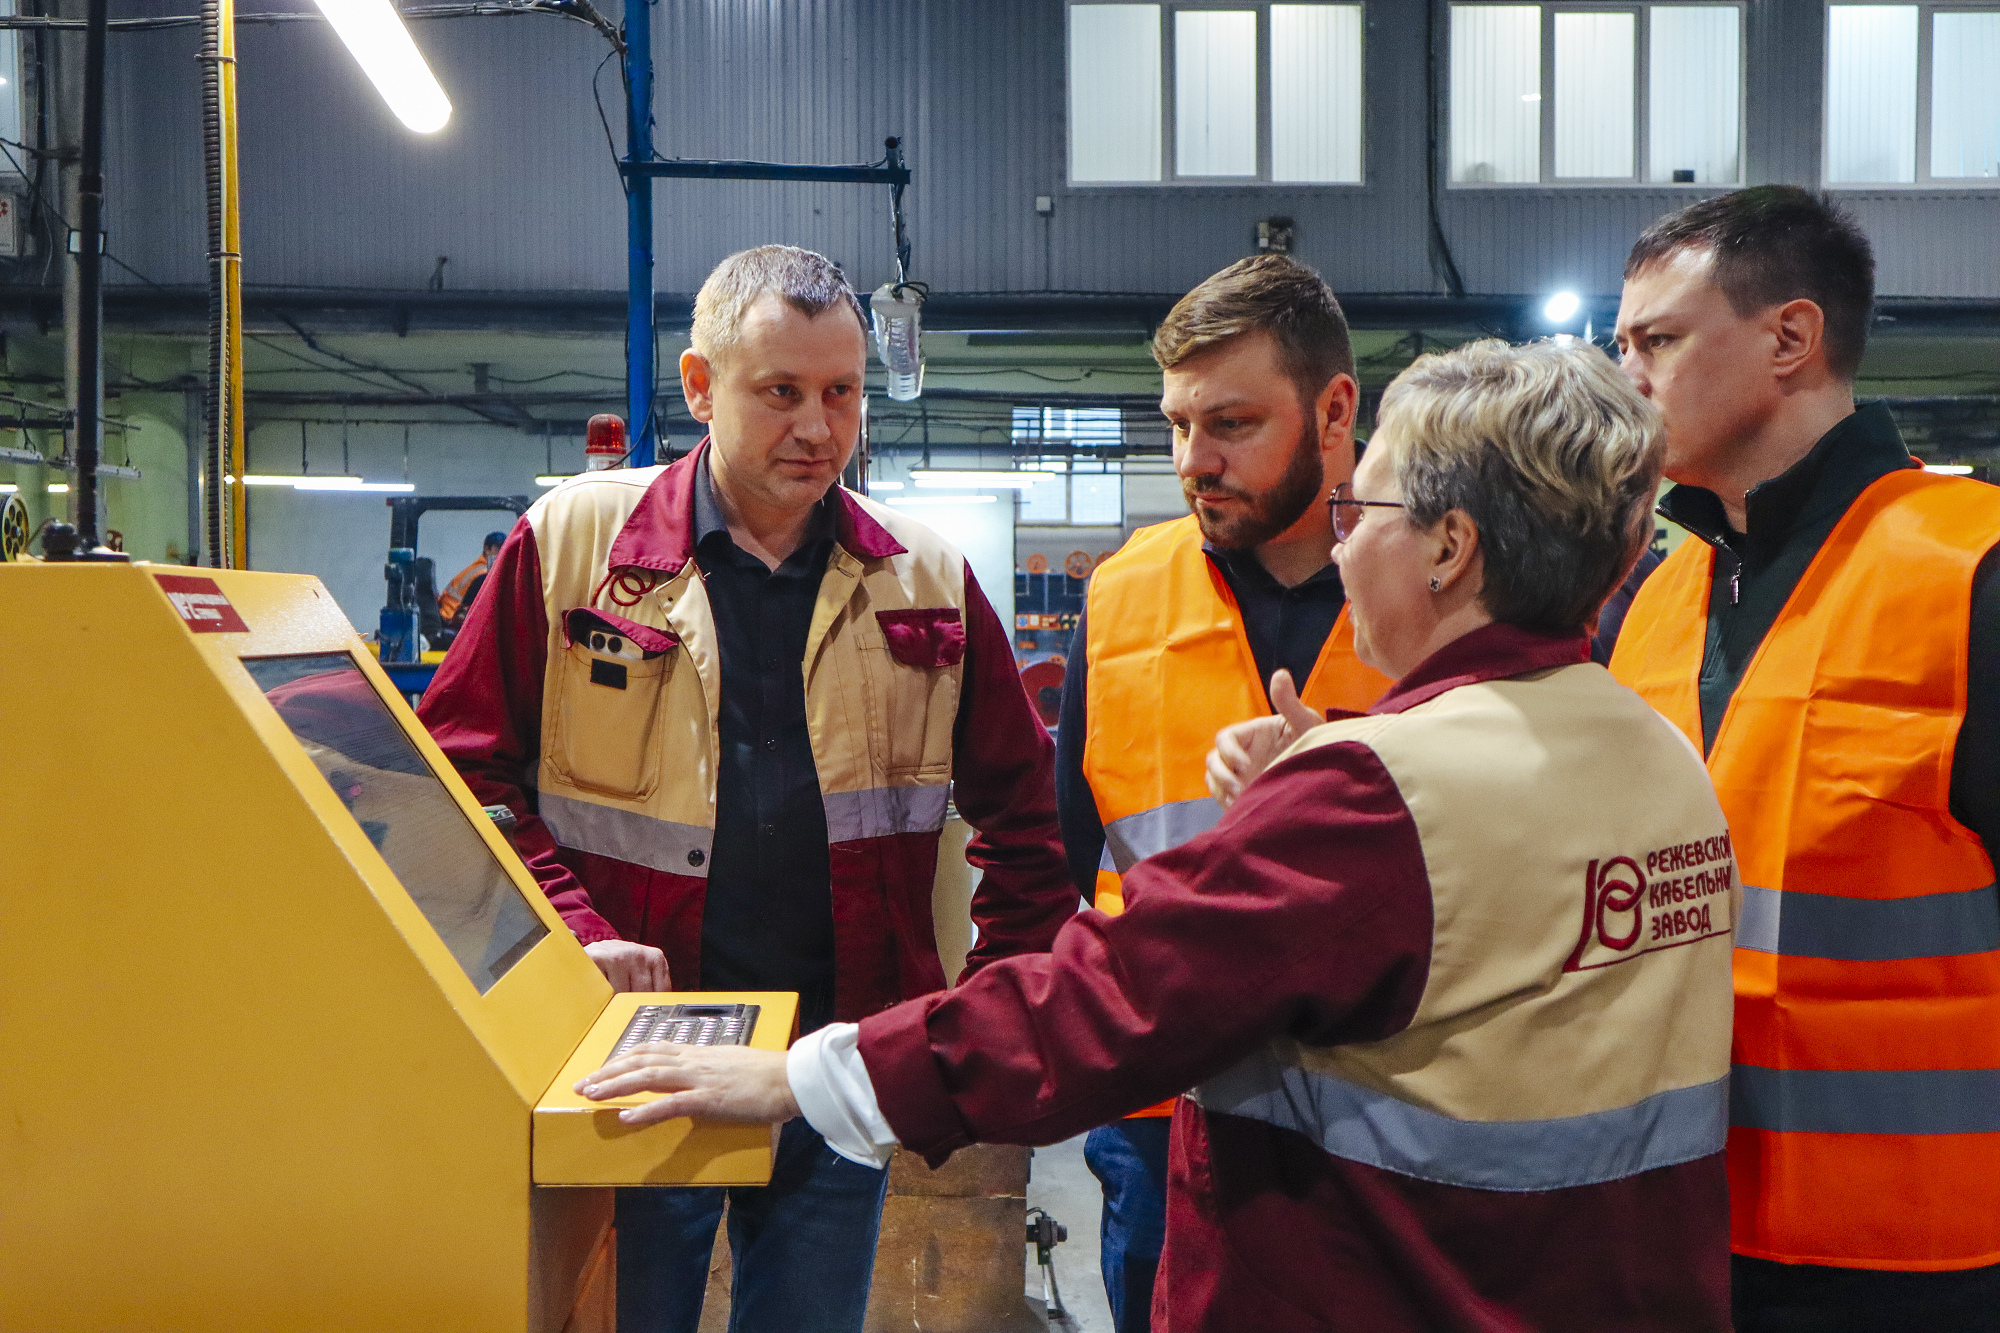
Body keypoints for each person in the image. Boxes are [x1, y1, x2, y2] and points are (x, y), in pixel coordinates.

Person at [576, 339, 1740, 1333]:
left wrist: (797, 1074)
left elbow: (1107, 999)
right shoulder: (1658, 753)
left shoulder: (1381, 800)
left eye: (1360, 511)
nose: (1340, 547)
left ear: (1448, 548)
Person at [418, 245, 1076, 1333]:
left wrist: (977, 1018)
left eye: (841, 393)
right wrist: (574, 934)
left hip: (834, 1067)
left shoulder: (925, 577)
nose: (818, 428)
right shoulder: (575, 546)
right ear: (699, 385)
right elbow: (458, 774)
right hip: (635, 1055)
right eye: (781, 392)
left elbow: (1026, 820)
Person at [1608, 187, 2000, 1333]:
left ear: (1789, 337)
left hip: (1924, 1260)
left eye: (1656, 342)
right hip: (1680, 1225)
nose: (1627, 378)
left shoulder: (1969, 572)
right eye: (1620, 346)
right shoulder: (1656, 600)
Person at [1054, 254, 1395, 1331]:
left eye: (1232, 425)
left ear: (1333, 410)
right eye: (1177, 425)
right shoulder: (1122, 595)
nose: (1192, 461)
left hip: (1383, 1096)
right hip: (1161, 1096)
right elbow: (1078, 855)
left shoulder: (1440, 584)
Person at [438, 530, 505, 623]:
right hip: (451, 615)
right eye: (498, 549)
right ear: (487, 548)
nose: (501, 554)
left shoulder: (478, 566)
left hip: (446, 610)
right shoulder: (484, 574)